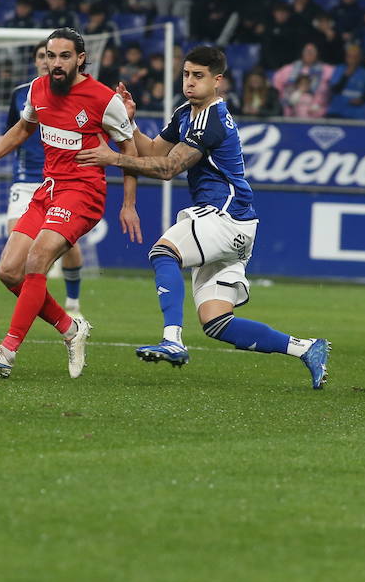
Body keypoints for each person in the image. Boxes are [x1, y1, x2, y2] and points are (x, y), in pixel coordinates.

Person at [75, 46, 330, 388]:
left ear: (217, 81)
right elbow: (152, 152)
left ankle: (172, 339)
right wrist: (130, 124)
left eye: (198, 76)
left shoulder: (210, 119)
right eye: (186, 74)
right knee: (217, 322)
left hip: (224, 216)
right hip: (237, 225)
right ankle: (306, 348)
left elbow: (168, 168)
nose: (190, 82)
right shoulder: (185, 113)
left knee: (163, 252)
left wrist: (112, 158)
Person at [0, 28, 142, 378]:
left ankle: (6, 352)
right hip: (48, 188)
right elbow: (23, 129)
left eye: (64, 56)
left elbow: (129, 149)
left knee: (38, 257)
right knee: (8, 271)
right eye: (51, 56)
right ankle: (70, 328)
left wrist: (128, 204)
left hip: (84, 192)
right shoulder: (37, 89)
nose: (55, 63)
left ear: (80, 59)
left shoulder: (103, 99)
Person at [6, 41, 88, 315]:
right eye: (42, 56)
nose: (47, 61)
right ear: (35, 61)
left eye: (52, 56)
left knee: (68, 248)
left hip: (61, 181)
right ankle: (46, 306)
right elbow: (14, 130)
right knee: (14, 258)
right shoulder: (22, 94)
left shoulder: (76, 93)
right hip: (26, 179)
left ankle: (73, 304)